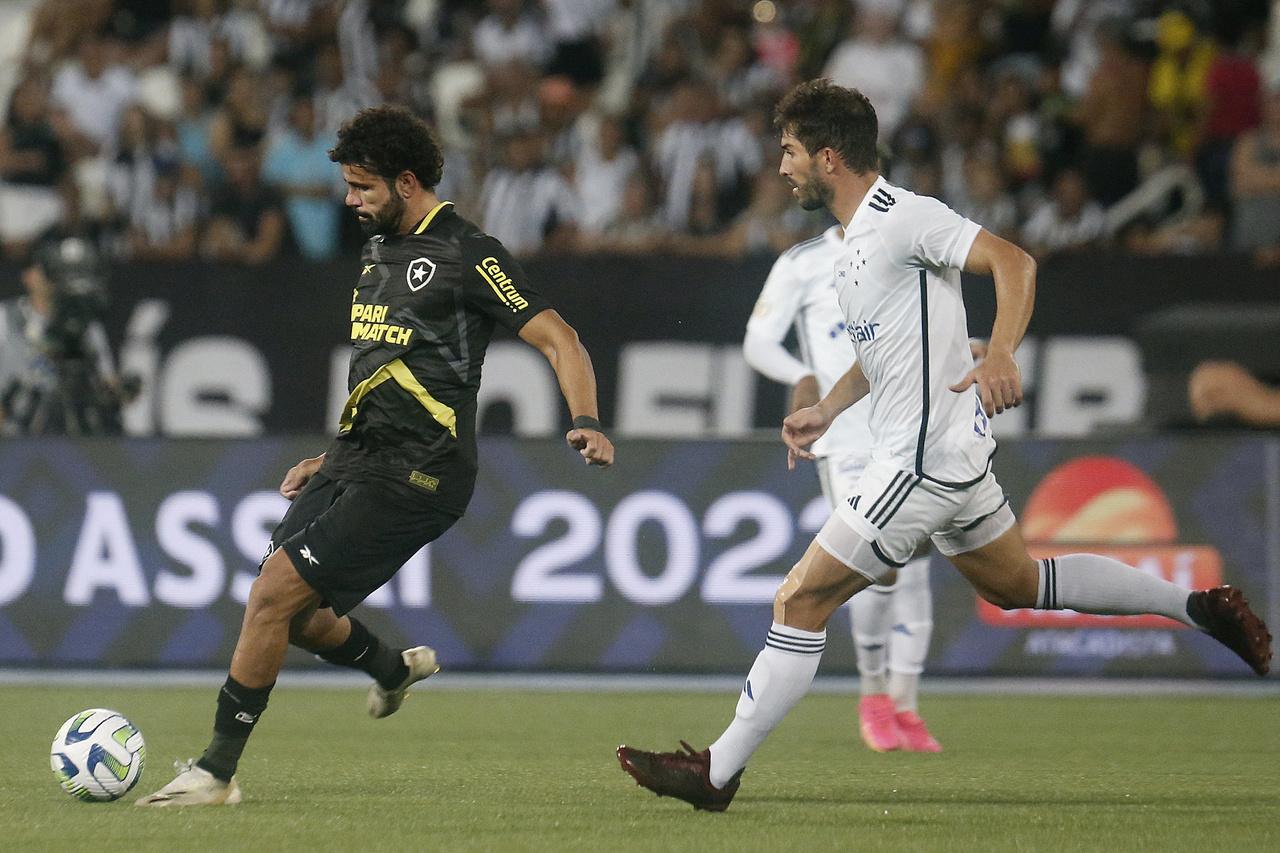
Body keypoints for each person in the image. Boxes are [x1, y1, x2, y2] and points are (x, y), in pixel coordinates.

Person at [615, 79, 1272, 813]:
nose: (781, 168)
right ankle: (1199, 606)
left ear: (829, 157)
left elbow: (1015, 262)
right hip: (949, 451)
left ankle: (716, 771)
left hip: (919, 459)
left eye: (791, 151)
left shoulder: (903, 218)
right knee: (1020, 583)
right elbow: (884, 351)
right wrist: (827, 408)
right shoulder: (855, 244)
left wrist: (1001, 354)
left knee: (799, 599)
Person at [137, 105, 614, 807]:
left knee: (271, 593)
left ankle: (215, 771)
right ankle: (391, 668)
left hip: (423, 470)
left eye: (362, 187)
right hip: (360, 457)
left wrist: (586, 420)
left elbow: (559, 338)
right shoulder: (378, 250)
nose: (349, 200)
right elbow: (382, 370)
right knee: (293, 615)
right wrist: (330, 459)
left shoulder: (467, 252)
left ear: (407, 180)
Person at [742, 226, 941, 753]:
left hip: (912, 427)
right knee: (880, 564)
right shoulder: (803, 262)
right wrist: (802, 374)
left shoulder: (909, 245)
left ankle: (906, 703)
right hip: (847, 439)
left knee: (918, 565)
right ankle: (874, 693)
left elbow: (927, 328)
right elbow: (757, 342)